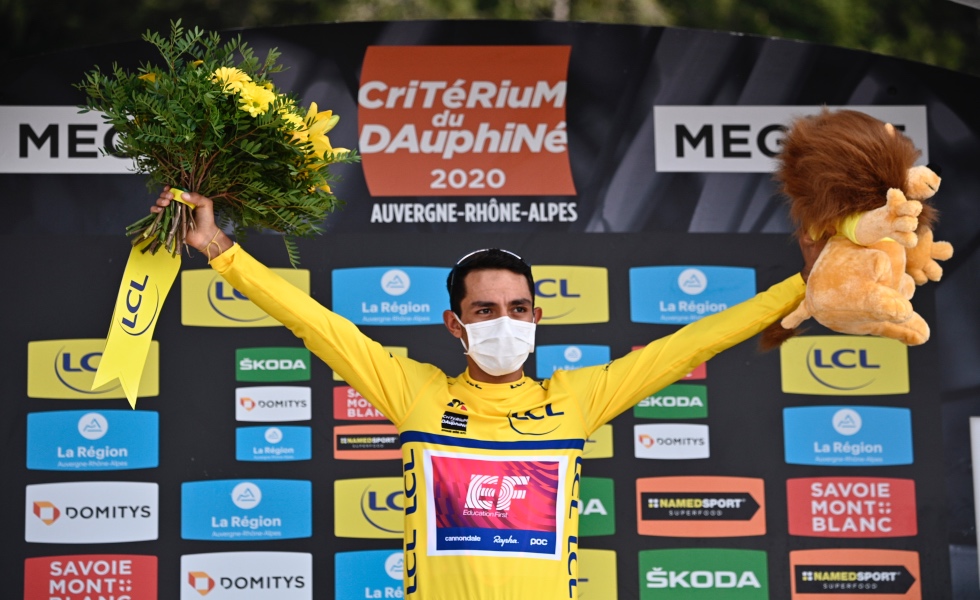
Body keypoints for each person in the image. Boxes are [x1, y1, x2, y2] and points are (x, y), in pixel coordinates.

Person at [154, 188, 807, 600]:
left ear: (537, 319)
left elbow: (693, 343)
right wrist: (218, 248)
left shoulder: (579, 399)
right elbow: (313, 323)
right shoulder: (416, 393)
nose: (505, 322)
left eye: (519, 308)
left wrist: (807, 284)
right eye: (487, 310)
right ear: (455, 324)